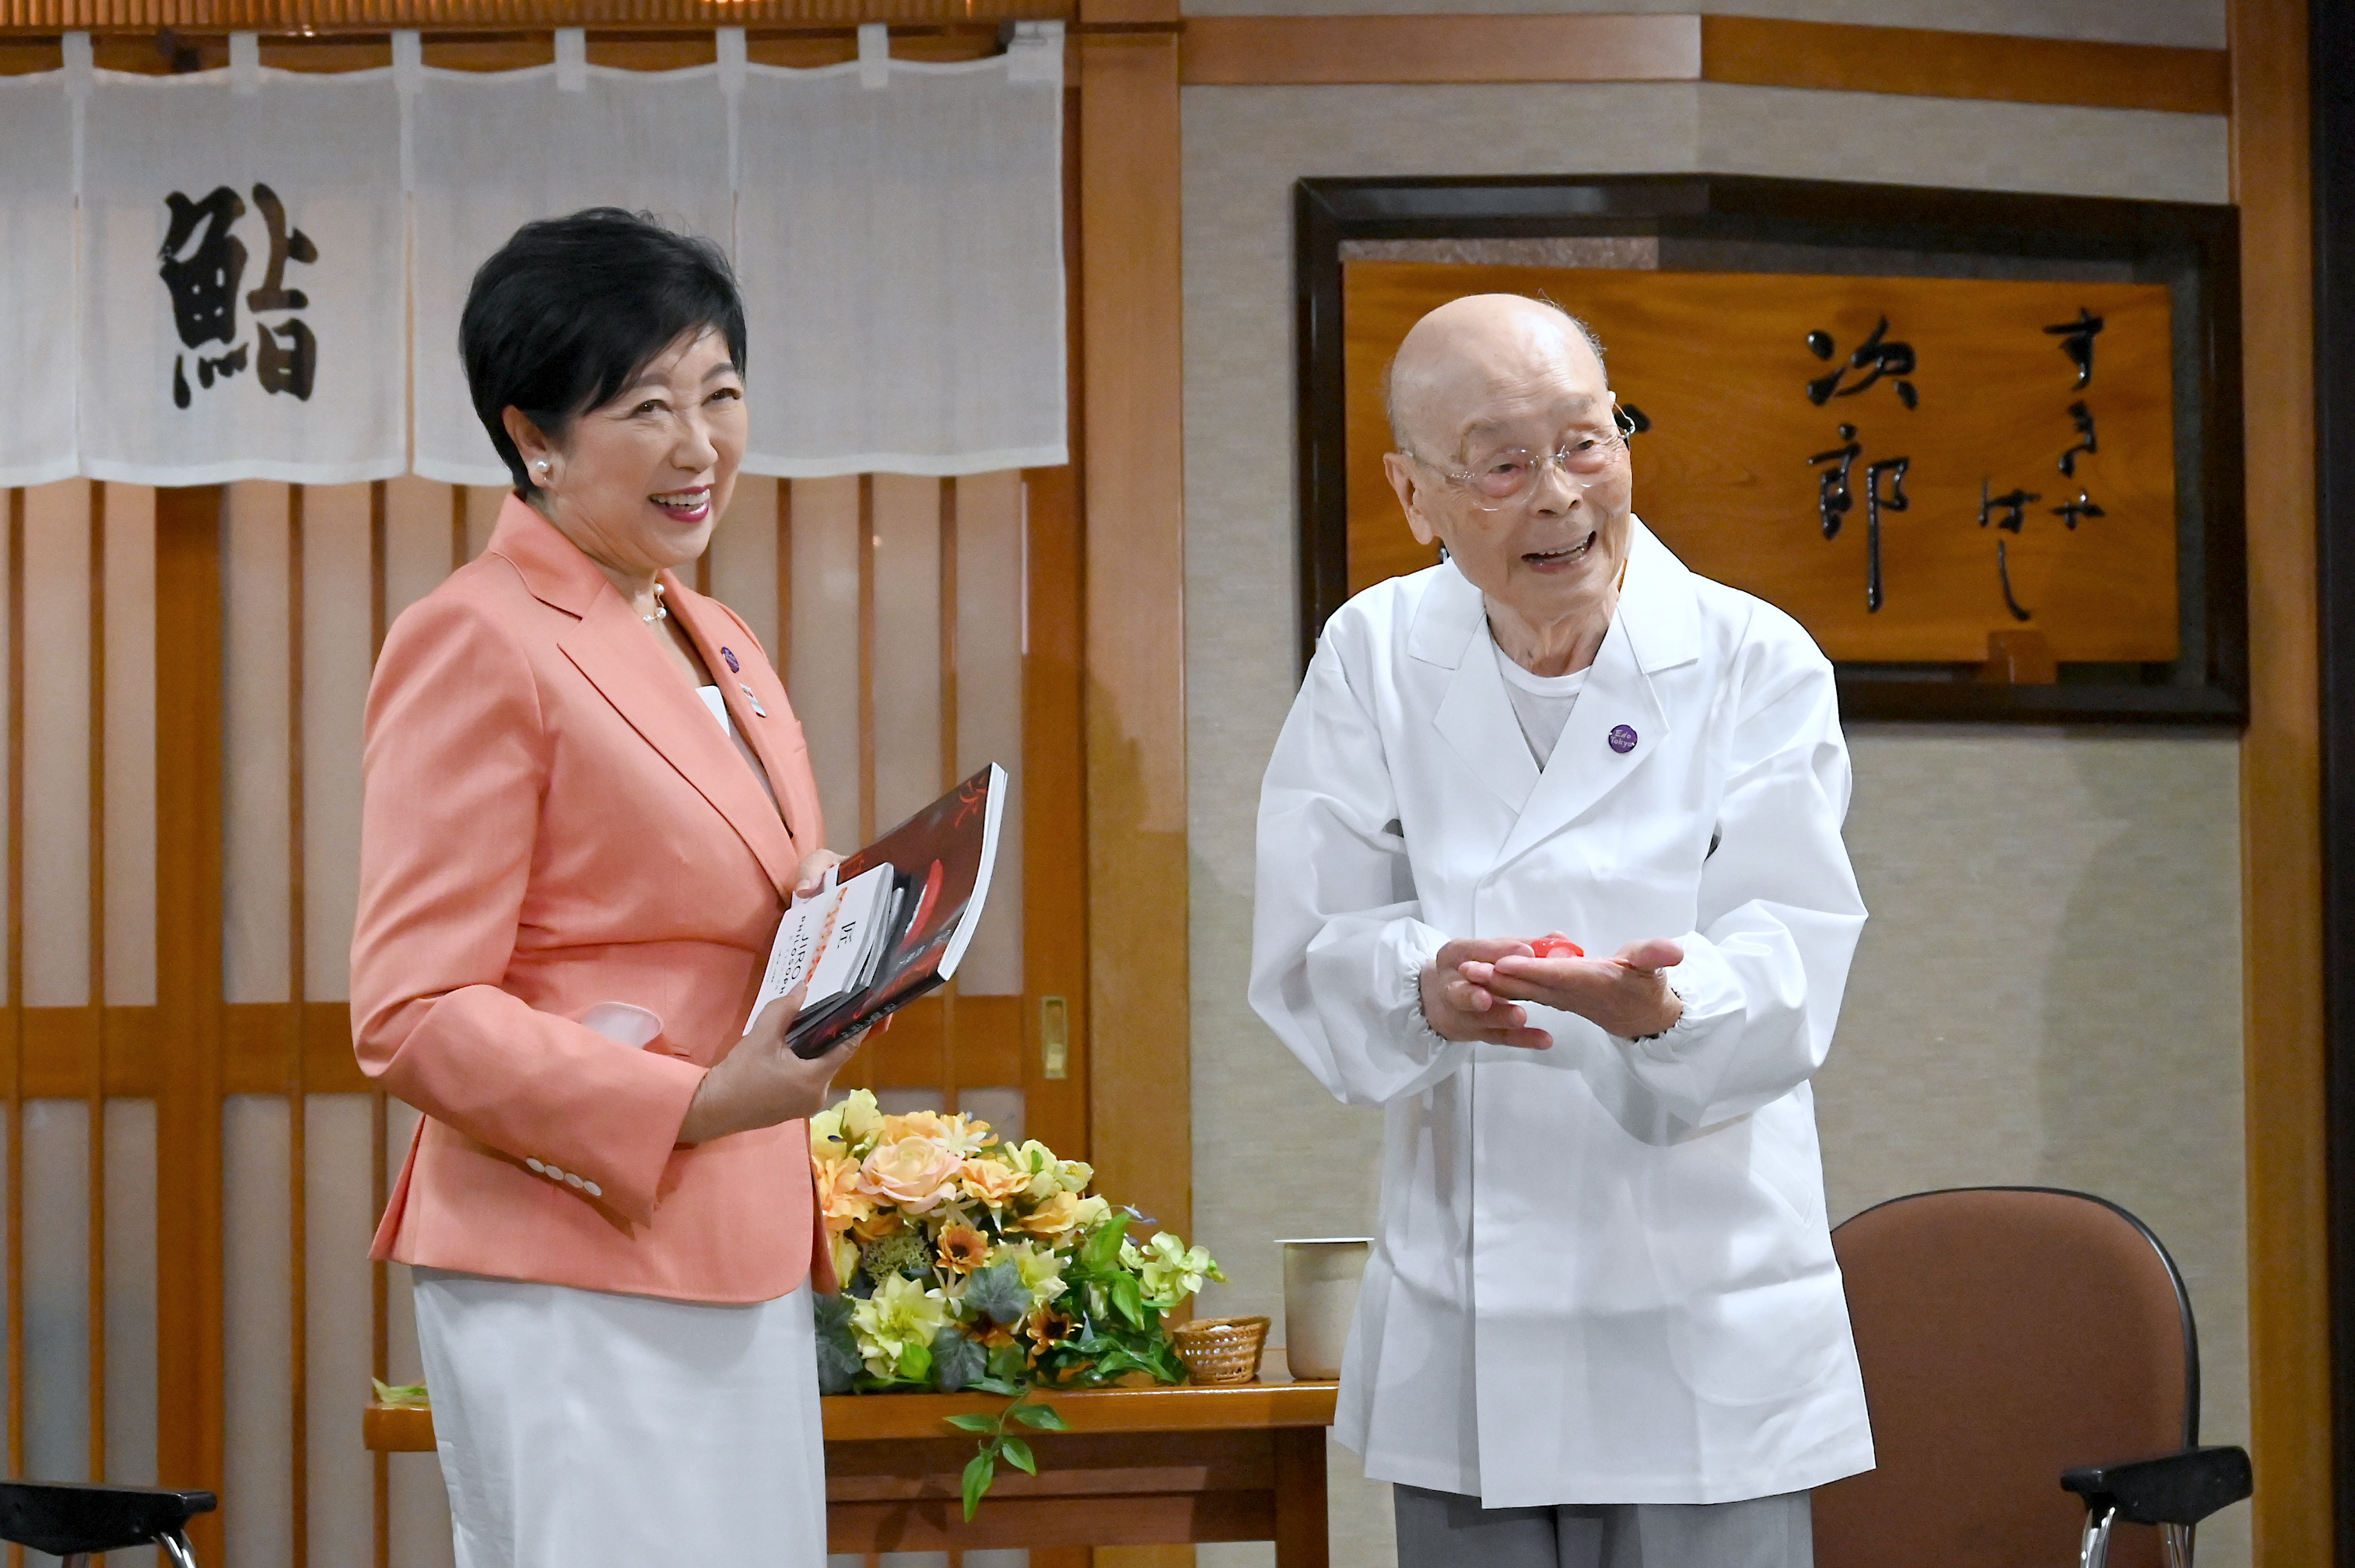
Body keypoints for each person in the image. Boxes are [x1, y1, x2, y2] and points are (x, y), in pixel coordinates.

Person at [1249, 293, 1873, 1567]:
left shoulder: (1756, 659)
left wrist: (1671, 1005)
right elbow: (1312, 941)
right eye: (1501, 462)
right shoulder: (1372, 652)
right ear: (1414, 494)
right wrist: (1423, 988)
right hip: (1474, 1316)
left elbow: (1795, 948)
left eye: (1587, 441)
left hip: (1701, 1315)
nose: (1560, 497)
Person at [351, 208, 860, 1568]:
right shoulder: (473, 637)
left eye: (721, 393)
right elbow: (411, 1009)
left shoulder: (713, 630)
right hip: (569, 1249)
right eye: (645, 406)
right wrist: (689, 1102)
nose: (699, 448)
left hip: (733, 1236)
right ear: (536, 437)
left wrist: (832, 921)